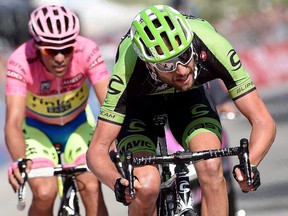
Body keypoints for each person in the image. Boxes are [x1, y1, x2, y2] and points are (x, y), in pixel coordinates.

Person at [86, 5, 276, 216]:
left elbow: (263, 121)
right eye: (167, 65)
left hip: (189, 98)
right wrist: (118, 183)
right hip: (140, 107)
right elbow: (97, 150)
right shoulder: (128, 66)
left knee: (211, 165)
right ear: (149, 64)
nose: (182, 70)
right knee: (145, 187)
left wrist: (249, 166)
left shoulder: (210, 41)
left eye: (185, 55)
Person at [5, 5, 109, 216]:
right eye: (51, 50)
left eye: (67, 49)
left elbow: (110, 106)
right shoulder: (20, 60)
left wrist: (113, 144)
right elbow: (13, 122)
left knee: (90, 186)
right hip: (37, 131)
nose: (60, 57)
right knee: (44, 192)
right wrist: (19, 161)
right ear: (37, 45)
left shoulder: (88, 50)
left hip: (78, 124)